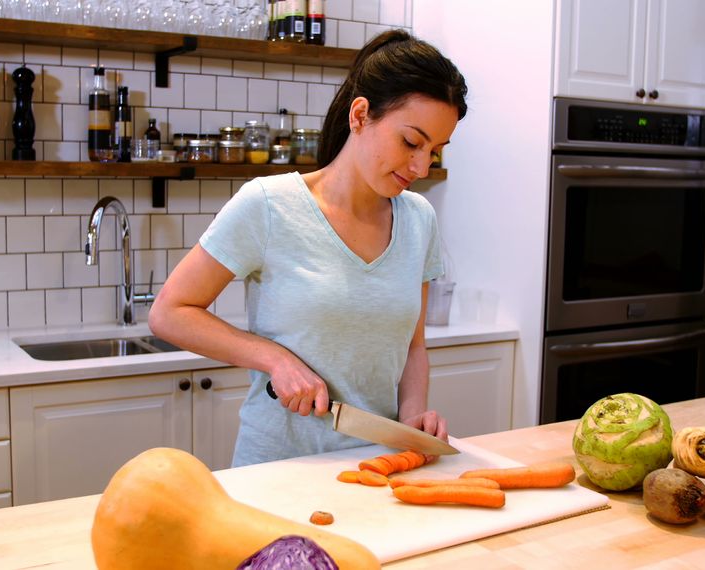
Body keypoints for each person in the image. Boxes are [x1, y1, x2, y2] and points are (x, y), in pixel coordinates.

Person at [148, 30, 468, 467]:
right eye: (411, 142)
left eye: (435, 151)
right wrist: (274, 359)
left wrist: (412, 416)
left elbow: (413, 347)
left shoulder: (419, 219)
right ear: (360, 116)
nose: (420, 165)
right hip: (277, 469)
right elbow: (170, 312)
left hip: (380, 468)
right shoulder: (268, 205)